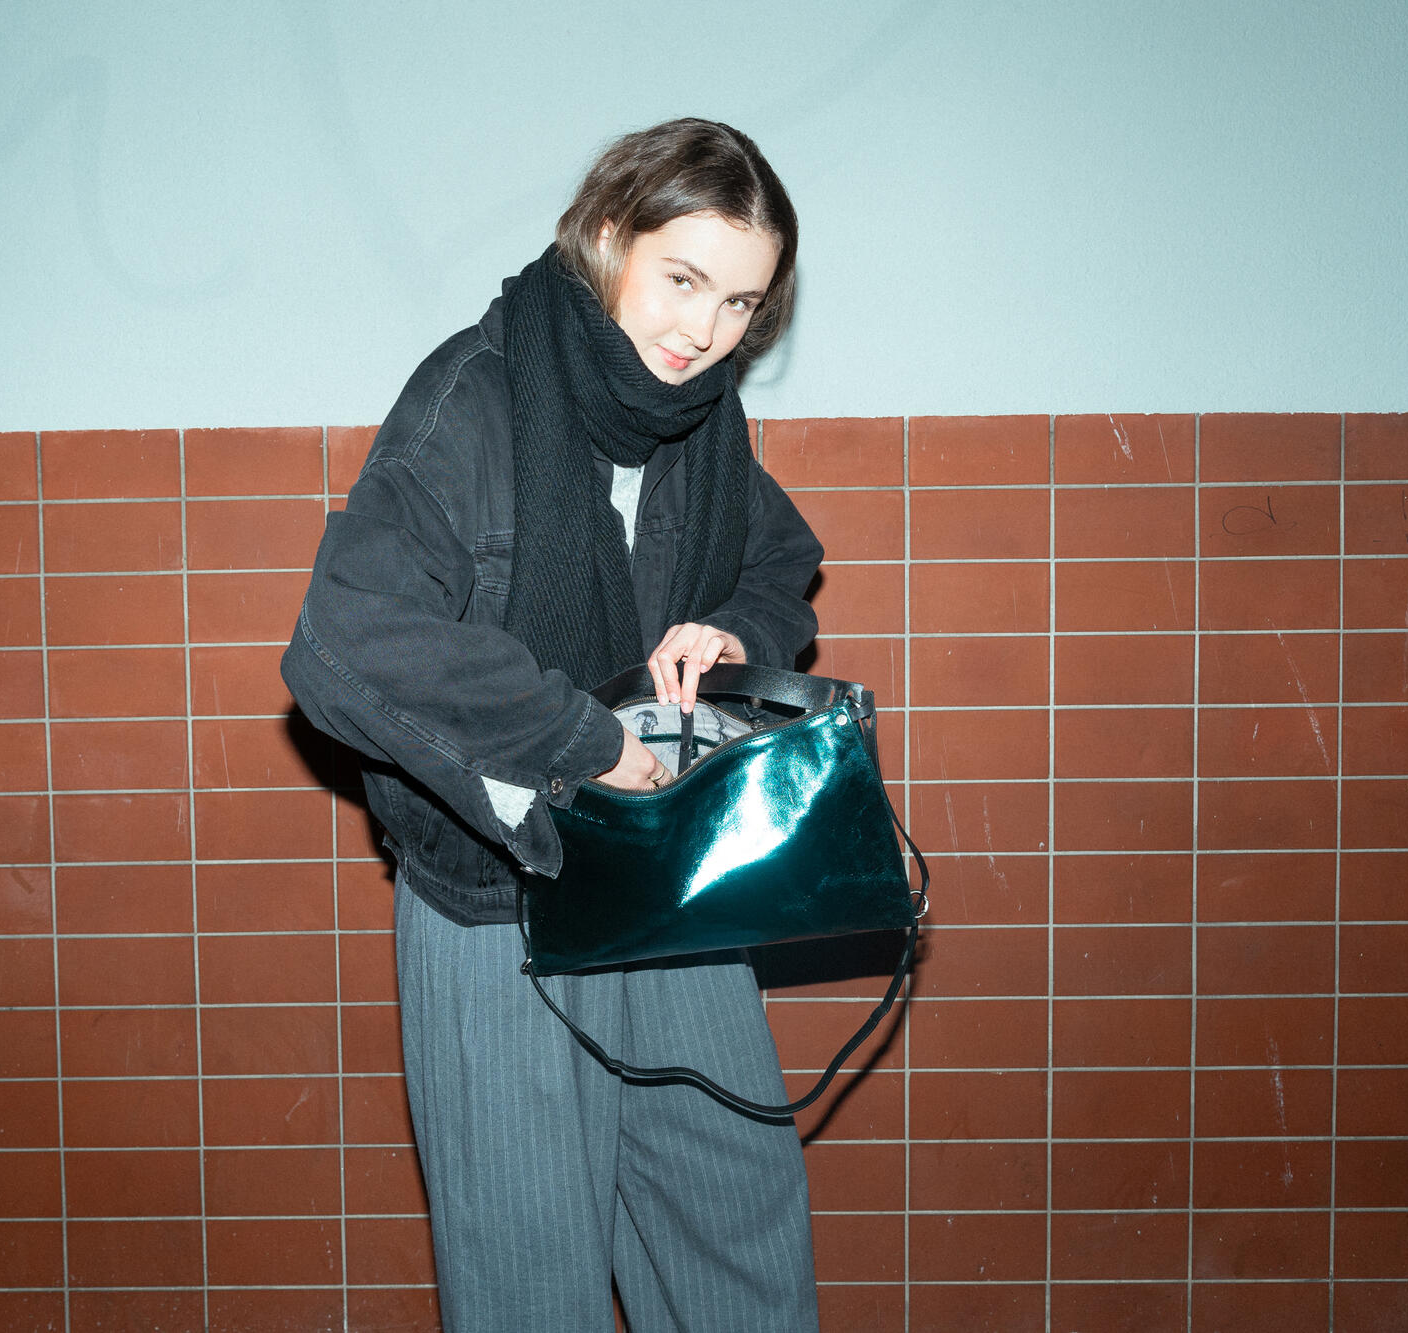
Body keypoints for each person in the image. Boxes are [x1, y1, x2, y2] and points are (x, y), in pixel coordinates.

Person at [282, 118, 825, 1331]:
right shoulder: (473, 397)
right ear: (606, 236)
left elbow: (779, 560)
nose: (703, 332)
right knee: (533, 1279)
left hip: (673, 891)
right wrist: (581, 742)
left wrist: (735, 631)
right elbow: (340, 642)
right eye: (682, 280)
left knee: (741, 1240)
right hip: (498, 907)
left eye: (740, 305)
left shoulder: (699, 418)